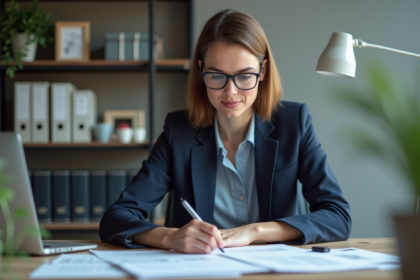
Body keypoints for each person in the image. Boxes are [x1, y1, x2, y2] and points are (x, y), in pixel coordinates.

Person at [99, 9, 351, 254]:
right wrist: (170, 236)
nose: (230, 92)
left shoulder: (294, 123)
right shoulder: (179, 132)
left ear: (262, 71)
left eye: (244, 76)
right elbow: (115, 218)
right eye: (217, 76)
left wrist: (254, 232)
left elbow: (337, 216)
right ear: (201, 70)